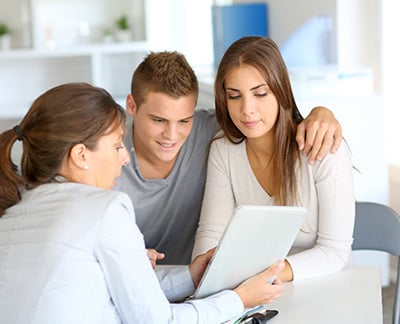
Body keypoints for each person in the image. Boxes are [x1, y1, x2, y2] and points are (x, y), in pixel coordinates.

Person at [0, 82, 285, 324]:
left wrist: (190, 277)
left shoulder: (13, 213)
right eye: (116, 145)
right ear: (80, 155)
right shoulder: (104, 208)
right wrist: (239, 299)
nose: (125, 158)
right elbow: (155, 320)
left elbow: (124, 296)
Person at [114, 51, 344, 265]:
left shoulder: (212, 132)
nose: (171, 136)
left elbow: (263, 119)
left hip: (191, 282)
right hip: (130, 280)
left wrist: (322, 113)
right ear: (131, 106)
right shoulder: (105, 154)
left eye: (184, 120)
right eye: (158, 120)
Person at [192, 36, 355, 282]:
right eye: (234, 96)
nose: (247, 109)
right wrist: (205, 277)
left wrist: (267, 276)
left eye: (260, 94)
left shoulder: (323, 149)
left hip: (321, 285)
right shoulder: (223, 150)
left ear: (281, 91)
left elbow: (334, 251)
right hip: (251, 289)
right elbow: (211, 233)